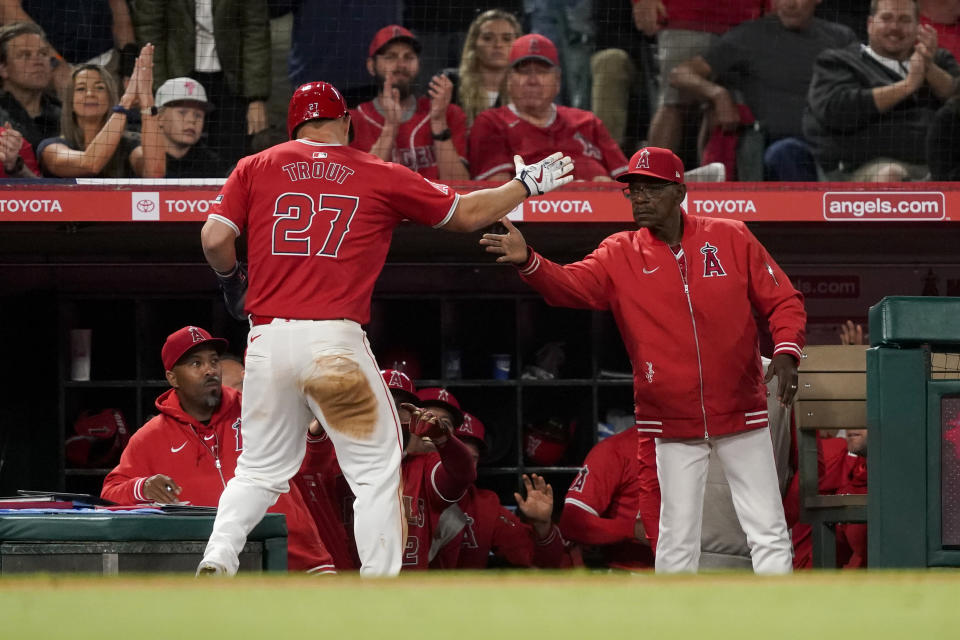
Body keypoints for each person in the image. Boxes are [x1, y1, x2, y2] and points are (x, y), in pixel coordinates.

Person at [196, 79, 573, 577]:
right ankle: (379, 588)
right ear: (347, 122)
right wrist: (525, 184)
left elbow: (215, 237)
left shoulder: (256, 164)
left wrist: (232, 283)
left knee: (259, 471)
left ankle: (217, 558)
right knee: (375, 473)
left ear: (295, 123)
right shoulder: (374, 170)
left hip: (268, 339)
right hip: (334, 340)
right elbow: (466, 216)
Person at [480, 146, 806, 574]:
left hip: (741, 407)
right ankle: (675, 627)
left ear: (679, 191)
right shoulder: (620, 251)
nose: (640, 198)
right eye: (634, 190)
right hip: (670, 417)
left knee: (766, 527)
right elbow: (571, 286)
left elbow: (783, 300)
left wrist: (786, 351)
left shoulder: (730, 235)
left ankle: (778, 622)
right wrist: (529, 260)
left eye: (651, 189)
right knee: (675, 535)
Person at [100, 325, 336, 575]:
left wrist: (315, 432)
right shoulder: (151, 437)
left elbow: (310, 468)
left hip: (296, 557)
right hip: (216, 568)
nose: (210, 370)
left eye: (214, 361)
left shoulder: (256, 409)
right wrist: (143, 487)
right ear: (172, 377)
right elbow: (110, 492)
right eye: (196, 364)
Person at [668, 0, 857, 181]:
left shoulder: (840, 37)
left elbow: (866, 82)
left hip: (838, 145)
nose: (789, 4)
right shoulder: (748, 36)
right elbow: (680, 74)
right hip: (781, 147)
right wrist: (718, 94)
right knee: (786, 153)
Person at [803, 0, 960, 181]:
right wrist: (906, 86)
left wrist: (928, 67)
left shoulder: (939, 60)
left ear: (918, 27)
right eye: (886, 18)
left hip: (942, 167)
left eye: (904, 20)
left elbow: (956, 95)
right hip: (868, 168)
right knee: (890, 174)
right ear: (870, 24)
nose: (895, 27)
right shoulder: (839, 62)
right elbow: (836, 110)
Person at [469, 33, 628, 182]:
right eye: (524, 72)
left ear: (557, 81)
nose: (533, 80)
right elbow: (496, 195)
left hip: (601, 210)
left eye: (542, 72)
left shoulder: (588, 122)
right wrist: (576, 193)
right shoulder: (492, 123)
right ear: (509, 80)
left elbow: (630, 186)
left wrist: (610, 190)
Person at [132, 0, 271, 166]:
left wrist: (256, 98)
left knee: (231, 153)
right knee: (178, 150)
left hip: (232, 81)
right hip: (177, 72)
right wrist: (162, 90)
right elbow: (149, 28)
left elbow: (256, 30)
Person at [434, 411, 570, 569]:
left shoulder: (485, 507)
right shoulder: (406, 490)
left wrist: (542, 525)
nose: (463, 465)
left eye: (472, 458)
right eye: (456, 455)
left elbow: (542, 563)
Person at [634, 0, 767, 160]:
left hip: (744, 22)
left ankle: (709, 180)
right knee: (674, 102)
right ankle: (651, 178)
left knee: (723, 113)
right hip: (687, 17)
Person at [350, 24, 469, 181]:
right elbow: (359, 187)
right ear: (371, 66)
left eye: (409, 57)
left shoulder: (449, 113)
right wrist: (390, 127)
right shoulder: (351, 122)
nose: (401, 65)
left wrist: (439, 123)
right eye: (390, 57)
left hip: (434, 205)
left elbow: (460, 185)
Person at [38, 44, 164, 178]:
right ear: (70, 102)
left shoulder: (129, 144)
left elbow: (154, 174)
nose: (90, 94)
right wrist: (127, 100)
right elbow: (91, 164)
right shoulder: (51, 147)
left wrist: (147, 100)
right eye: (81, 89)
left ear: (110, 99)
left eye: (100, 88)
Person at [559, 428, 659, 570]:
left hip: (696, 571)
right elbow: (573, 522)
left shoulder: (698, 447)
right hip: (631, 577)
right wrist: (634, 530)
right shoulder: (616, 449)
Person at [136, 76, 230, 179]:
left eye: (198, 115)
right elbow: (153, 173)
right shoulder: (138, 149)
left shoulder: (212, 164)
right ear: (159, 117)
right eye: (182, 112)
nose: (192, 120)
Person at [454, 9, 522, 127]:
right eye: (488, 38)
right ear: (474, 44)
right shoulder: (451, 84)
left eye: (506, 39)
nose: (498, 45)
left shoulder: (526, 91)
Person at [0, 21, 61, 150]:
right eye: (25, 55)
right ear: (3, 68)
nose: (38, 61)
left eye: (43, 54)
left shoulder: (65, 114)